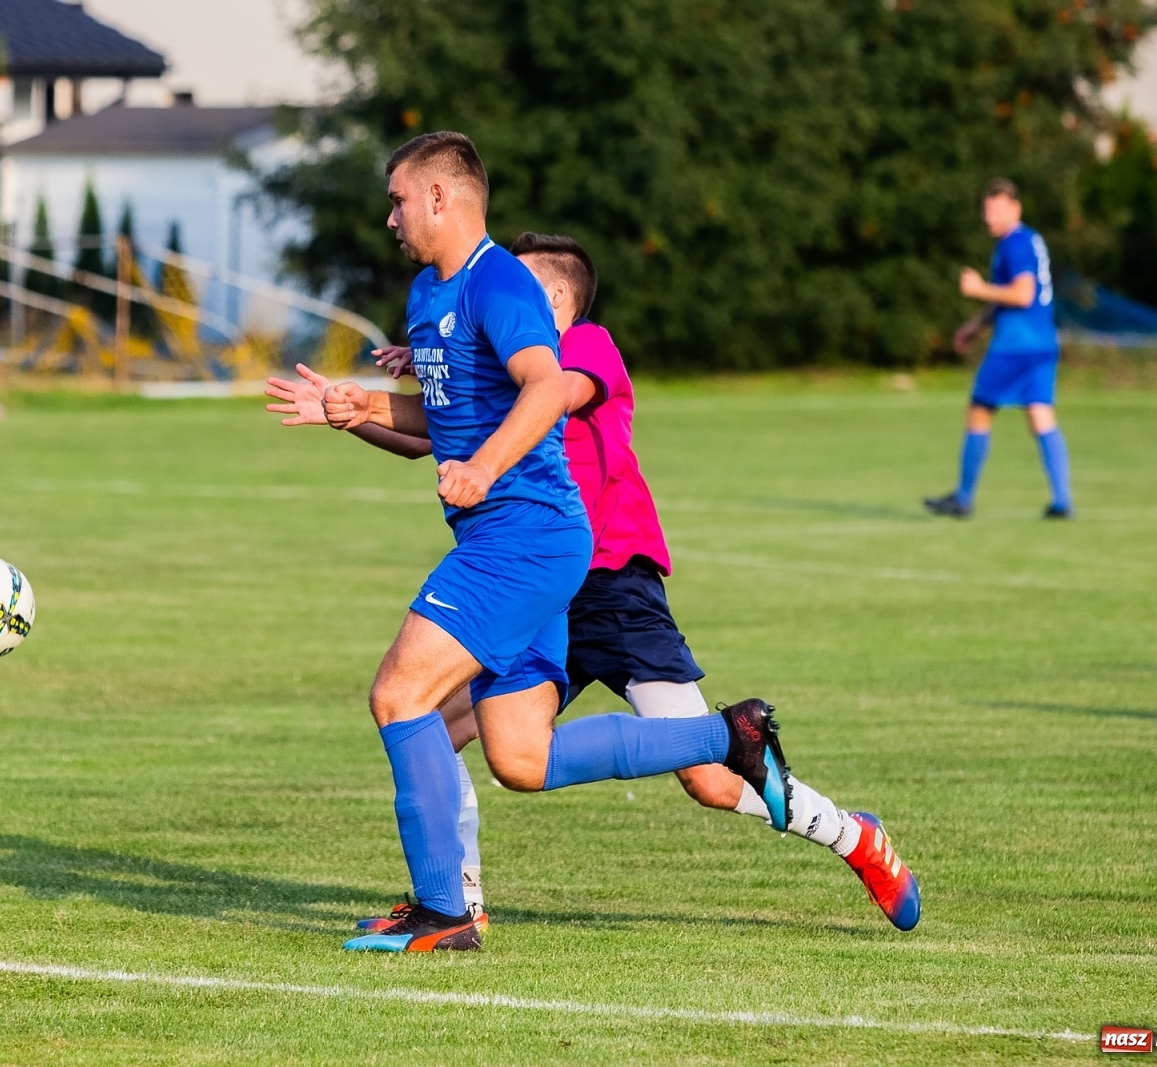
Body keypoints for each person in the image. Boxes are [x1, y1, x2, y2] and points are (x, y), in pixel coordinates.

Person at [267, 229, 921, 936]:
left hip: (615, 588)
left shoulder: (584, 347)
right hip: (535, 585)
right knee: (435, 721)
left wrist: (449, 370)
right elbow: (442, 429)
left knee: (708, 780)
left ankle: (853, 837)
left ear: (550, 296)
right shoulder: (506, 355)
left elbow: (550, 396)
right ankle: (456, 903)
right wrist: (400, 390)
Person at [292, 131, 798, 953]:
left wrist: (486, 467)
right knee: (521, 756)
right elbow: (439, 426)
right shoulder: (429, 294)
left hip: (523, 537)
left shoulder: (501, 284)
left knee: (400, 696)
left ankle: (445, 911)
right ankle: (727, 734)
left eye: (396, 198)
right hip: (522, 538)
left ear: (440, 197)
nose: (388, 216)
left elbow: (544, 387)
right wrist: (359, 412)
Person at [926, 178, 1073, 520]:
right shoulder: (1031, 240)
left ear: (1016, 209)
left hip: (1015, 346)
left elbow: (1022, 294)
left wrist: (979, 289)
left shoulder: (1014, 244)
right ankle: (1062, 501)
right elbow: (1013, 297)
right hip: (1043, 342)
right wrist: (976, 326)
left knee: (979, 411)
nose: (990, 217)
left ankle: (962, 499)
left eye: (998, 209)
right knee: (1040, 415)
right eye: (987, 210)